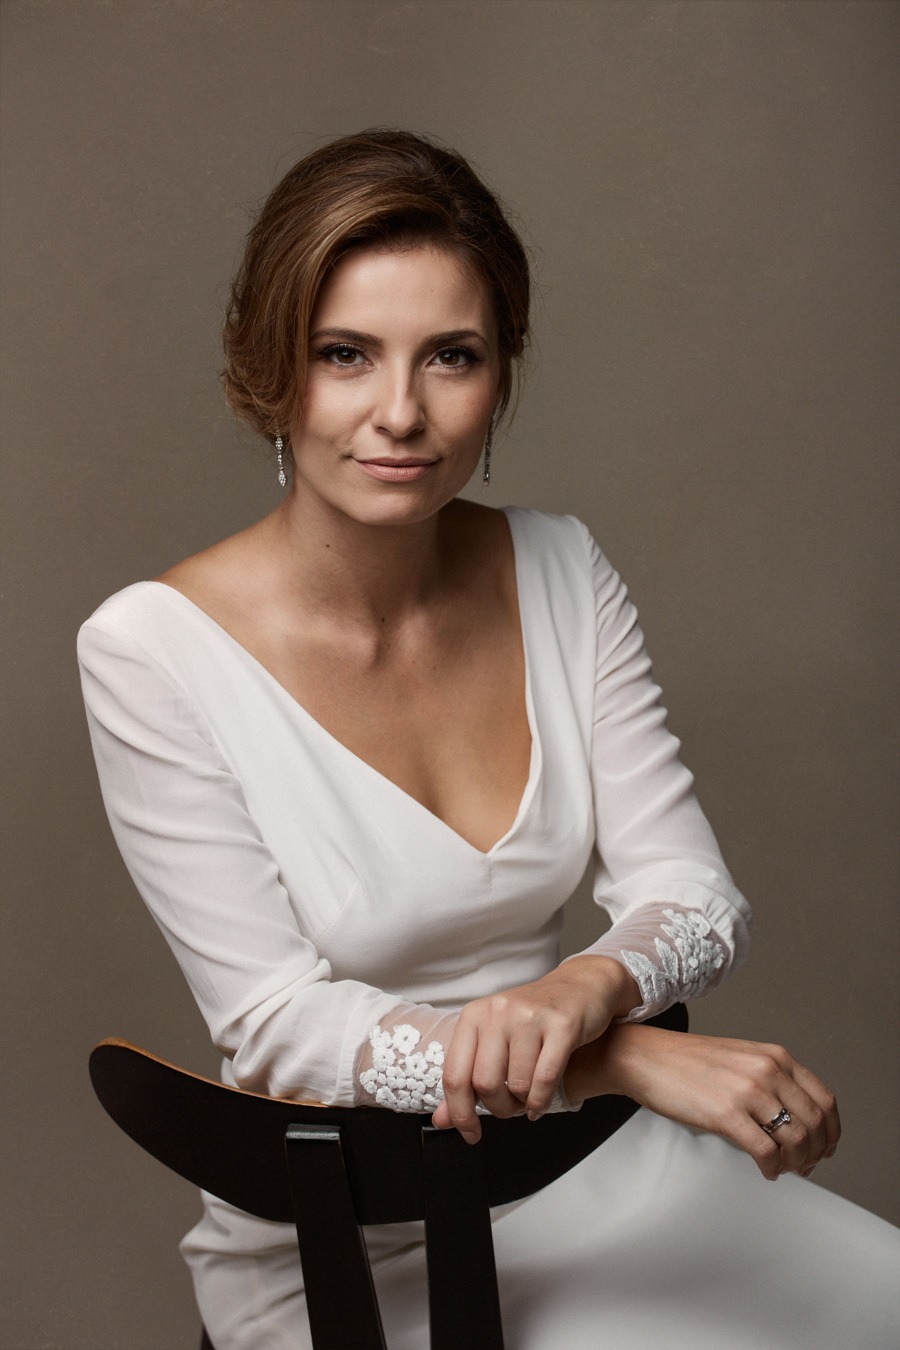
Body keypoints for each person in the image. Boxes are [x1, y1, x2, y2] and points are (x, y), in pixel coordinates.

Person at [78, 129, 897, 1349]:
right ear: (269, 368)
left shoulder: (563, 568)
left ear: (501, 373)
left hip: (588, 1173)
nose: (400, 414)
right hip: (349, 1231)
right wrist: (616, 1063)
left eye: (450, 356)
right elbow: (281, 1029)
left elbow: (691, 892)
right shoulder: (149, 648)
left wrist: (584, 989)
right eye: (344, 355)